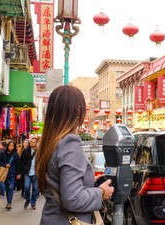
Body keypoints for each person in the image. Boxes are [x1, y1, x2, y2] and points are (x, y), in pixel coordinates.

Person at [36, 85, 114, 224]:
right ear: (76, 111)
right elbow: (73, 199)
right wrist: (101, 192)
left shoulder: (48, 142)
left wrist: (90, 183)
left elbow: (59, 183)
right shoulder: (70, 142)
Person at [0, 140, 21, 210]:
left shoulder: (16, 155)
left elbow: (18, 165)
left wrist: (18, 174)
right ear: (8, 146)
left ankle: (9, 203)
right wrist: (5, 164)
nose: (11, 147)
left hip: (12, 174)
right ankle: (8, 201)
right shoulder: (3, 153)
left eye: (12, 146)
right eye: (10, 146)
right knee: (7, 188)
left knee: (11, 187)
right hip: (5, 174)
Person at [20, 137, 38, 209]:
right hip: (27, 172)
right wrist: (23, 169)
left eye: (34, 142)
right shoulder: (25, 151)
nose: (32, 143)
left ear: (36, 143)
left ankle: (33, 202)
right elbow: (21, 161)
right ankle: (28, 199)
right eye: (31, 142)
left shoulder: (39, 151)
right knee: (26, 187)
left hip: (36, 172)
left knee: (35, 188)